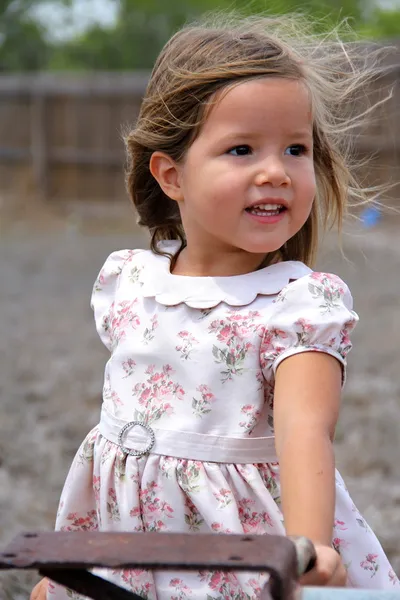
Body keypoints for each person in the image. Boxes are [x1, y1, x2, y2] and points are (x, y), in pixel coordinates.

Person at [32, 12, 399, 600]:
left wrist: (307, 550)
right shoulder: (129, 283)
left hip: (240, 556)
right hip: (128, 547)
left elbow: (307, 433)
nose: (275, 171)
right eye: (242, 149)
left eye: (296, 148)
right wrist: (70, 569)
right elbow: (115, 451)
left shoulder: (299, 305)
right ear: (172, 174)